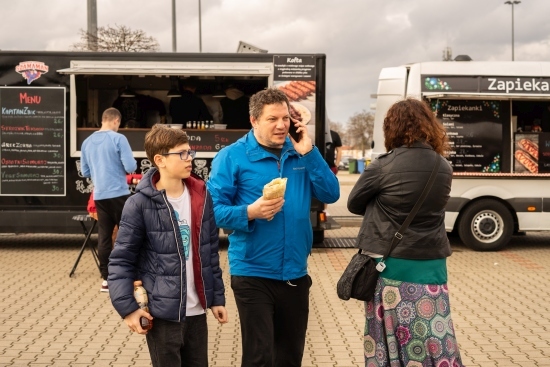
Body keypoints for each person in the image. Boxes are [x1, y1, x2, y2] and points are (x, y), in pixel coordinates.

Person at [207, 88, 340, 367]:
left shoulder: (300, 153)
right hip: (252, 271)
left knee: (290, 356)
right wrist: (249, 212)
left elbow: (331, 194)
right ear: (254, 120)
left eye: (285, 118)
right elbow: (211, 212)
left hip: (294, 272)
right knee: (259, 357)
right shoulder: (231, 157)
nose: (281, 125)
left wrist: (310, 153)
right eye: (272, 119)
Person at [347, 98, 464, 367]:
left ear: (392, 129)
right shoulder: (443, 167)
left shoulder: (382, 165)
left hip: (392, 264)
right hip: (433, 263)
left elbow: (354, 203)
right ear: (429, 126)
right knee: (434, 331)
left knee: (393, 334)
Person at [108, 124, 228, 367]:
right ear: (160, 160)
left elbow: (209, 252)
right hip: (162, 314)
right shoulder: (139, 204)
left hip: (197, 312)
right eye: (181, 153)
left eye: (190, 152)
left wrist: (216, 298)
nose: (189, 158)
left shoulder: (202, 197)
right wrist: (129, 310)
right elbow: (121, 261)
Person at [80, 107, 136, 292]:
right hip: (119, 193)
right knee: (128, 234)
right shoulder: (119, 138)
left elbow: (85, 172)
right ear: (116, 121)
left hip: (100, 195)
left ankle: (106, 279)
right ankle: (131, 275)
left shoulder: (87, 142)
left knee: (104, 237)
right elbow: (130, 166)